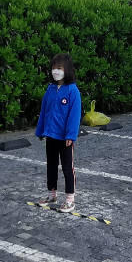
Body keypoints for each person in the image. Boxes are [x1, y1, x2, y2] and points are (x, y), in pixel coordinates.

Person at [35, 53, 82, 211]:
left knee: (68, 167)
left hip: (65, 138)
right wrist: (41, 130)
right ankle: (52, 194)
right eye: (54, 68)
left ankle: (70, 198)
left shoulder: (72, 91)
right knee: (51, 166)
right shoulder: (50, 89)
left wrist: (71, 135)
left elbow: (74, 115)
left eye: (59, 68)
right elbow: (44, 111)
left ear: (67, 70)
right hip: (51, 135)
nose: (55, 71)